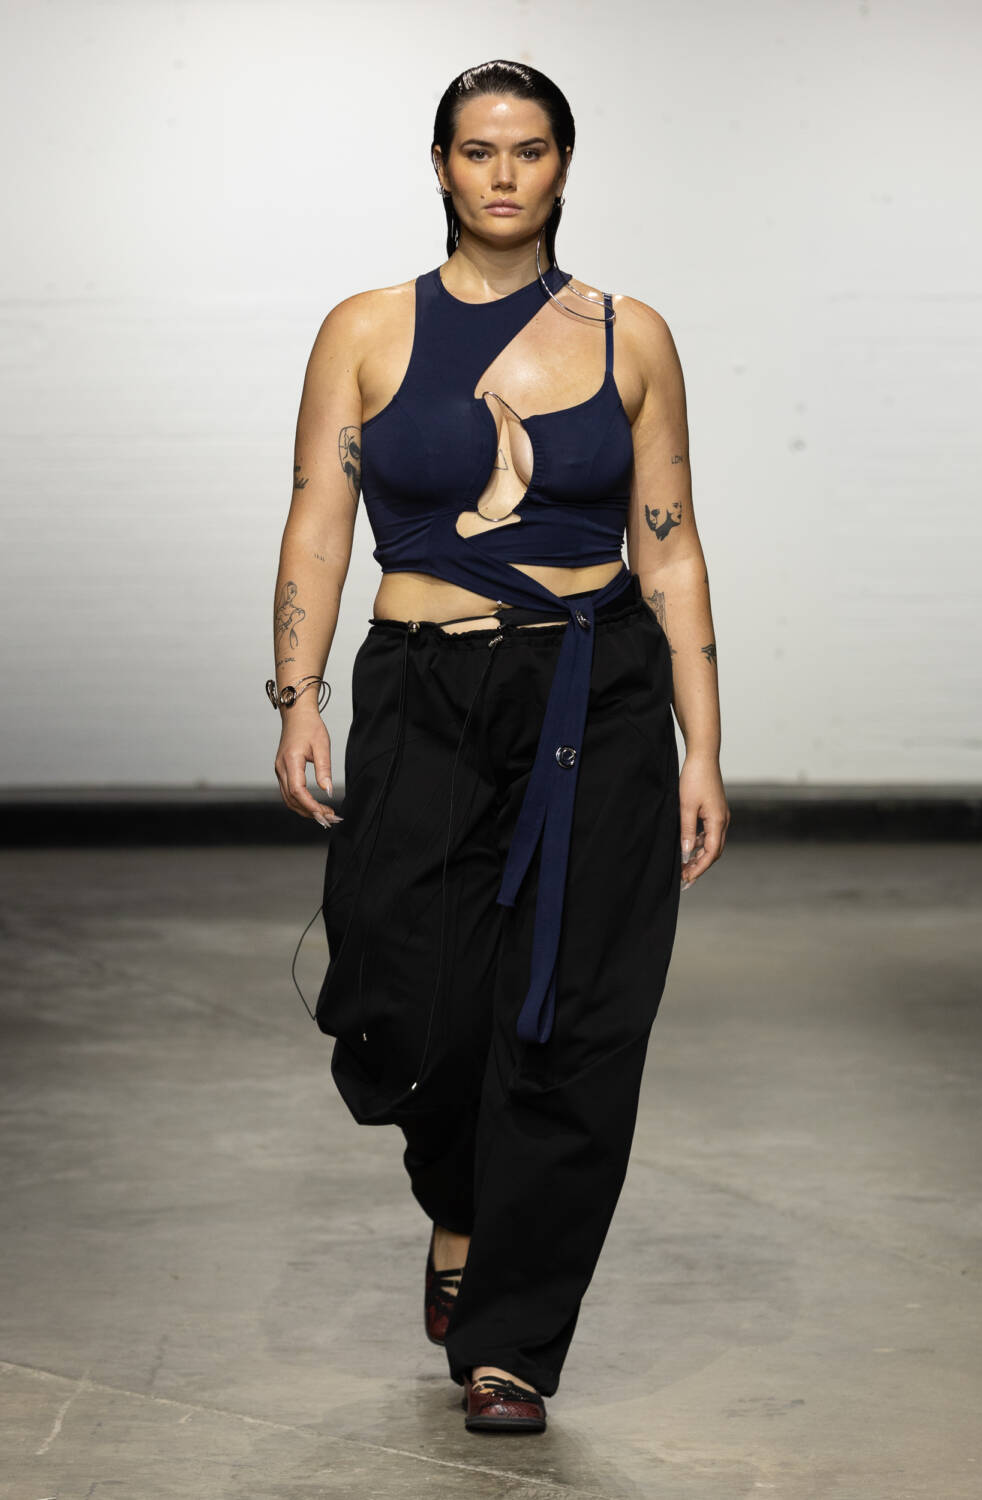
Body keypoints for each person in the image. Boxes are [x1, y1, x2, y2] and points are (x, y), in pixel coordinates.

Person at [269, 59, 730, 1434]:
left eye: (530, 149)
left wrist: (703, 746)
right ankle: (461, 1199)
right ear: (441, 166)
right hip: (422, 689)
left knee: (582, 1016)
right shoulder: (365, 328)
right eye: (480, 150)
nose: (505, 173)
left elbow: (671, 546)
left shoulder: (631, 337)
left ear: (564, 166)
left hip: (596, 694)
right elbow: (317, 518)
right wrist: (298, 692)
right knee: (407, 997)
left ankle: (512, 1346)